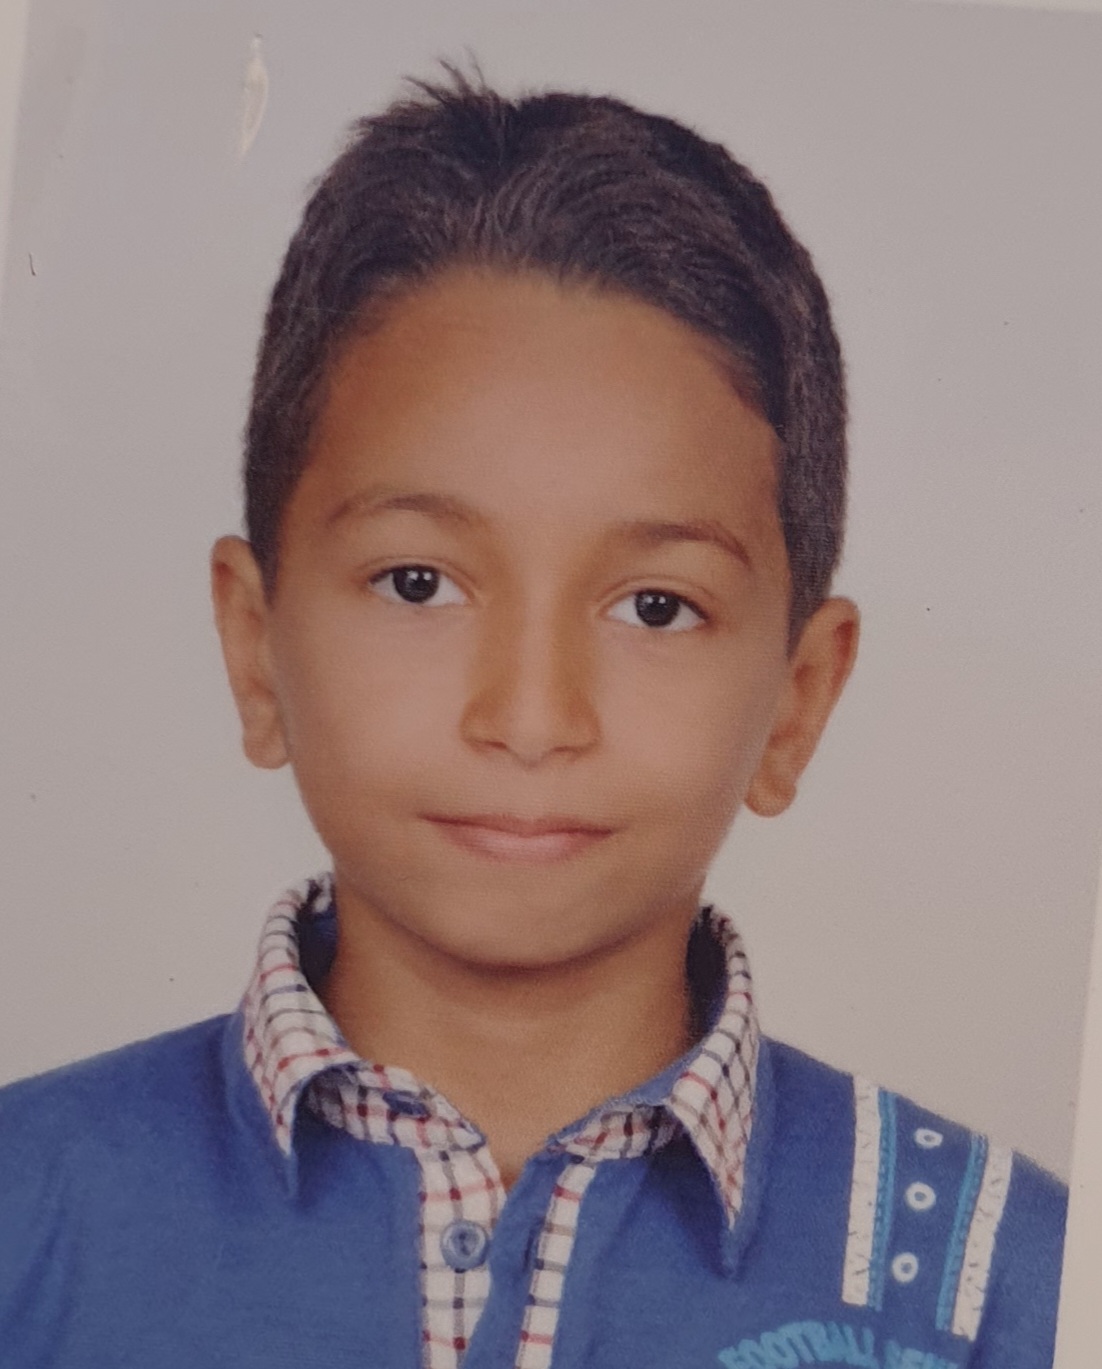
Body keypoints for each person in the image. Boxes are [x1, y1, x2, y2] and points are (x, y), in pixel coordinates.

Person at [0, 70, 1064, 1369]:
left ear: (798, 699)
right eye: (418, 583)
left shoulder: (1021, 1295)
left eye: (656, 606)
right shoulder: (25, 1214)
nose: (529, 715)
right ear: (254, 645)